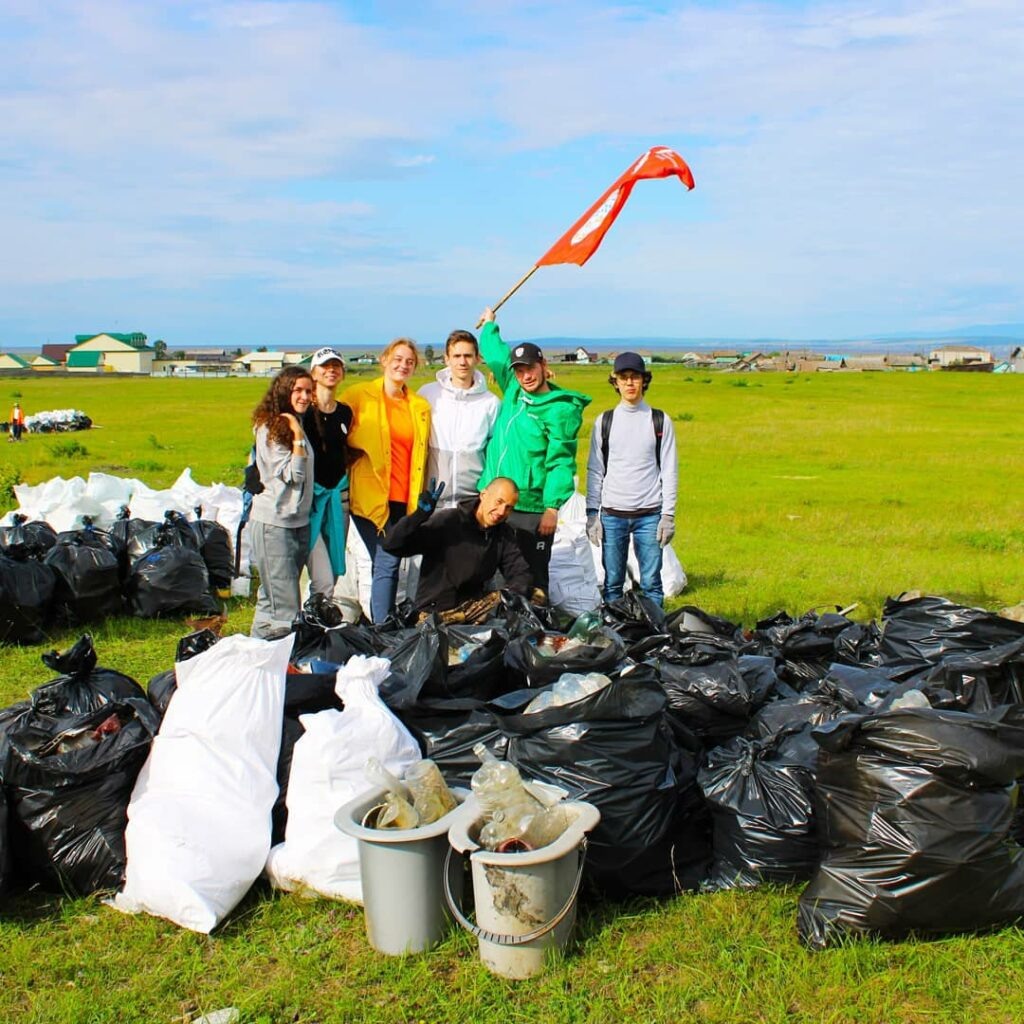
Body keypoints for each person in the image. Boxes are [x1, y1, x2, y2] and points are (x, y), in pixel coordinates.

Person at [476, 307, 591, 600]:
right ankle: (497, 623)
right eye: (519, 370)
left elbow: (561, 461)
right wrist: (489, 326)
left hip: (529, 507)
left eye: (530, 368)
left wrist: (551, 507)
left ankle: (535, 623)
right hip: (493, 499)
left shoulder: (559, 410)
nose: (525, 376)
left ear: (543, 365)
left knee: (530, 574)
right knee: (492, 570)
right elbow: (496, 355)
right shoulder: (514, 390)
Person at [343, 338, 431, 623]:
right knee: (387, 559)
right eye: (397, 359)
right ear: (384, 360)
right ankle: (382, 627)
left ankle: (381, 622)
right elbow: (331, 423)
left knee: (386, 562)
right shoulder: (359, 396)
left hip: (403, 497)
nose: (403, 365)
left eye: (409, 362)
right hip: (371, 495)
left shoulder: (419, 406)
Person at [586, 352, 678, 607]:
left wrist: (668, 516)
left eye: (635, 377)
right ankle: (616, 628)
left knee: (651, 584)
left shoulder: (660, 420)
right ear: (615, 381)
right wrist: (592, 514)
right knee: (613, 583)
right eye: (623, 377)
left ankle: (654, 629)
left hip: (650, 515)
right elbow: (595, 470)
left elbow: (669, 470)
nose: (629, 383)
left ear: (644, 380)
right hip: (612, 515)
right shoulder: (604, 421)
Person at [381, 476, 531, 622]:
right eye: (499, 502)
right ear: (484, 495)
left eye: (508, 507)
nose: (501, 511)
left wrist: (513, 597)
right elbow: (392, 546)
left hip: (473, 614)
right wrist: (418, 516)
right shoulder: (448, 521)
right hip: (435, 615)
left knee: (533, 596)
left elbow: (519, 572)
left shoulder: (504, 533)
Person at [249, 366, 315, 638]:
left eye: (309, 391)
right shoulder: (271, 427)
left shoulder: (295, 422)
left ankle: (256, 653)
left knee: (270, 599)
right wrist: (297, 436)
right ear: (283, 391)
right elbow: (294, 475)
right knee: (286, 607)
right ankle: (283, 656)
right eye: (298, 390)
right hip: (274, 524)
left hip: (297, 521)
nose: (304, 397)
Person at [418, 329, 500, 508]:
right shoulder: (428, 394)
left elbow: (494, 452)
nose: (462, 362)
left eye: (468, 356)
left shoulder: (490, 403)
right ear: (447, 359)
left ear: (478, 358)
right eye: (456, 356)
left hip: (472, 503)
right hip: (432, 501)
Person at [304, 347, 352, 604]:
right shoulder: (303, 413)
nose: (331, 370)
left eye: (336, 366)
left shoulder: (345, 413)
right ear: (314, 373)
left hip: (338, 500)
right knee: (320, 573)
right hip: (309, 501)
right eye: (325, 366)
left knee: (331, 570)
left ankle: (318, 613)